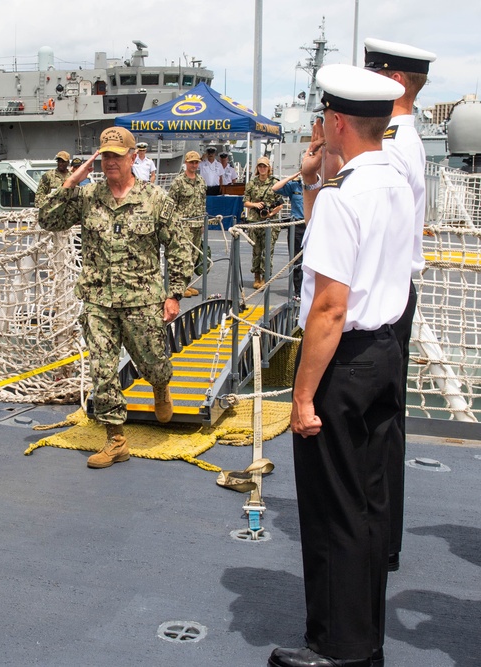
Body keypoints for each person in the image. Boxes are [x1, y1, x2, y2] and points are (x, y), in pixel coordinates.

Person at [269, 64, 410, 667]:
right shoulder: (396, 181)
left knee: (333, 511)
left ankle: (337, 649)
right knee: (371, 505)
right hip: (384, 355)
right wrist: (314, 182)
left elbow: (328, 308)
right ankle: (365, 637)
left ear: (334, 122)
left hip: (343, 365)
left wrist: (302, 399)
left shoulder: (344, 197)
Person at [38, 126, 192, 468]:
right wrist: (71, 182)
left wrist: (174, 294)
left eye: (116, 156)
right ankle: (115, 439)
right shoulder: (87, 197)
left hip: (142, 301)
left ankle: (161, 386)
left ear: (133, 157)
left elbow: (181, 248)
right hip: (98, 300)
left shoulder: (155, 200)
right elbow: (47, 219)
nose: (110, 162)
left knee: (152, 362)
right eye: (104, 155)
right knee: (102, 369)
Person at [365, 37, 437, 574]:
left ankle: (376, 536)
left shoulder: (391, 141)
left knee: (376, 424)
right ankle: (382, 535)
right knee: (386, 422)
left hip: (384, 297)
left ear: (393, 84)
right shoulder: (407, 139)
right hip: (397, 292)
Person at [167, 150, 207, 296]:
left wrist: (203, 222)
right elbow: (170, 203)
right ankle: (178, 287)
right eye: (192, 162)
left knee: (193, 256)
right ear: (186, 163)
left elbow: (203, 203)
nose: (194, 165)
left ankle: (187, 284)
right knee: (182, 256)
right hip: (183, 226)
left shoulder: (201, 181)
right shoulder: (178, 182)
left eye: (196, 162)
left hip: (197, 224)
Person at [243, 156, 284, 289]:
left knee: (268, 250)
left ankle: (266, 277)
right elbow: (246, 202)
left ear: (269, 168)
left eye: (264, 166)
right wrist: (255, 205)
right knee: (256, 250)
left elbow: (280, 203)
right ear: (257, 168)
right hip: (255, 221)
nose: (262, 168)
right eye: (260, 166)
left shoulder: (275, 183)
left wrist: (271, 213)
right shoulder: (251, 183)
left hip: (270, 222)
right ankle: (256, 277)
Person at [272, 169, 305, 298]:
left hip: (311, 225)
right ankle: (298, 291)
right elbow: (275, 188)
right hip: (296, 225)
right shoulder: (294, 186)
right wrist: (293, 176)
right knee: (296, 259)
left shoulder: (317, 186)